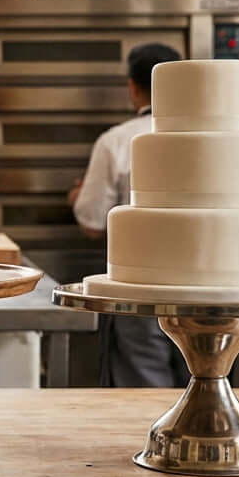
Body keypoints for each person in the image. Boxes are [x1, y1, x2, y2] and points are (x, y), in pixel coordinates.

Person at [68, 42, 186, 388]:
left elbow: (91, 223)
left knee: (146, 395)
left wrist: (77, 196)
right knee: (205, 384)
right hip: (212, 289)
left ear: (132, 87)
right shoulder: (219, 140)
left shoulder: (116, 141)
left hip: (141, 286)